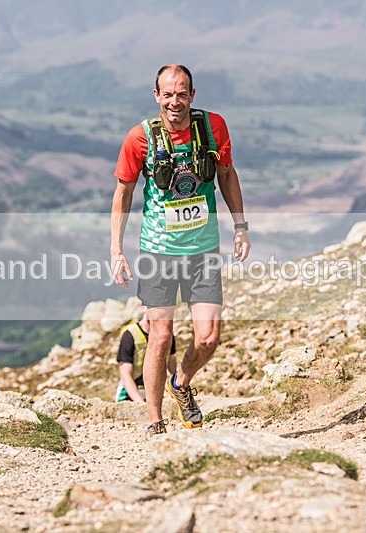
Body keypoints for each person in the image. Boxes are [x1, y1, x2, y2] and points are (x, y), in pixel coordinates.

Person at [110, 64, 250, 437]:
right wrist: (116, 250)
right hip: (158, 250)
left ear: (192, 94)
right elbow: (123, 194)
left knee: (208, 338)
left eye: (182, 93)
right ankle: (155, 421)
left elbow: (226, 174)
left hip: (203, 250)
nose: (175, 101)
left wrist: (240, 226)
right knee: (160, 335)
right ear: (156, 96)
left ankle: (181, 382)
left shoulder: (213, 127)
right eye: (167, 94)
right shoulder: (139, 138)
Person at [115, 311, 178, 403]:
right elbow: (125, 375)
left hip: (154, 392)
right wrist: (141, 404)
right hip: (128, 394)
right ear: (143, 307)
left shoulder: (168, 335)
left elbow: (172, 370)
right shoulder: (129, 334)